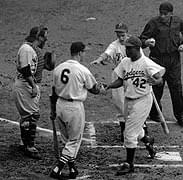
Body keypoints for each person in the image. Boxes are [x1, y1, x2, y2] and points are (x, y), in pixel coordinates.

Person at [105, 36, 165, 175]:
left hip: (143, 101)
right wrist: (109, 86)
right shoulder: (125, 62)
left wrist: (155, 81)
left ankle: (129, 164)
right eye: (126, 47)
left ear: (137, 48)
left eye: (129, 48)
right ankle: (148, 140)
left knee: (129, 133)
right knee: (135, 129)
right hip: (128, 99)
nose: (126, 50)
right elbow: (120, 80)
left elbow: (160, 79)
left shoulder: (146, 63)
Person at [49, 42, 105, 180]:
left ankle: (72, 168)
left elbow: (53, 91)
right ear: (80, 53)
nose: (85, 54)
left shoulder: (58, 68)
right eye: (84, 52)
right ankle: (57, 169)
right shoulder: (82, 70)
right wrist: (101, 90)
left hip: (60, 105)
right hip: (74, 108)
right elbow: (94, 88)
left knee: (66, 139)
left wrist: (52, 110)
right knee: (74, 140)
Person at [90, 23, 144, 142]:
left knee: (136, 103)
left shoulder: (134, 44)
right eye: (119, 35)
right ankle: (124, 130)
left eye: (123, 35)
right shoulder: (114, 45)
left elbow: (142, 60)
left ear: (127, 33)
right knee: (120, 104)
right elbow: (107, 53)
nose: (121, 38)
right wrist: (99, 60)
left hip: (134, 77)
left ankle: (144, 130)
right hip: (119, 76)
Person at [139, 1, 183, 127]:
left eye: (165, 14)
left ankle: (181, 115)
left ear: (171, 14)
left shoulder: (178, 22)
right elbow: (141, 39)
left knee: (176, 88)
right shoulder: (153, 23)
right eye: (160, 13)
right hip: (157, 60)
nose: (162, 16)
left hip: (174, 59)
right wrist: (147, 43)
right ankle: (155, 113)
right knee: (156, 88)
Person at [13, 26, 55, 159]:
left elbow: (33, 67)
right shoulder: (26, 49)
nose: (46, 39)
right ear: (39, 37)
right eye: (45, 37)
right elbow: (25, 70)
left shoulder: (32, 49)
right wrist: (33, 86)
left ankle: (23, 143)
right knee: (31, 116)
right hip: (26, 86)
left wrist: (45, 65)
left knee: (28, 116)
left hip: (28, 85)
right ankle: (29, 147)